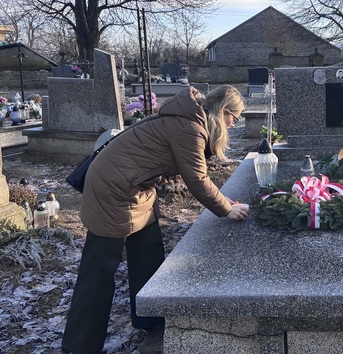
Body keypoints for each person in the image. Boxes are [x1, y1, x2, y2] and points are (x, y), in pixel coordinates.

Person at [61, 85, 249, 354]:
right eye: (235, 118)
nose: (233, 124)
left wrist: (225, 201)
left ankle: (150, 318)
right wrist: (225, 209)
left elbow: (191, 171)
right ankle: (80, 345)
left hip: (136, 187)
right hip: (113, 188)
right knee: (99, 268)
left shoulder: (190, 119)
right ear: (223, 111)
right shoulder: (191, 127)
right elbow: (197, 179)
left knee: (148, 252)